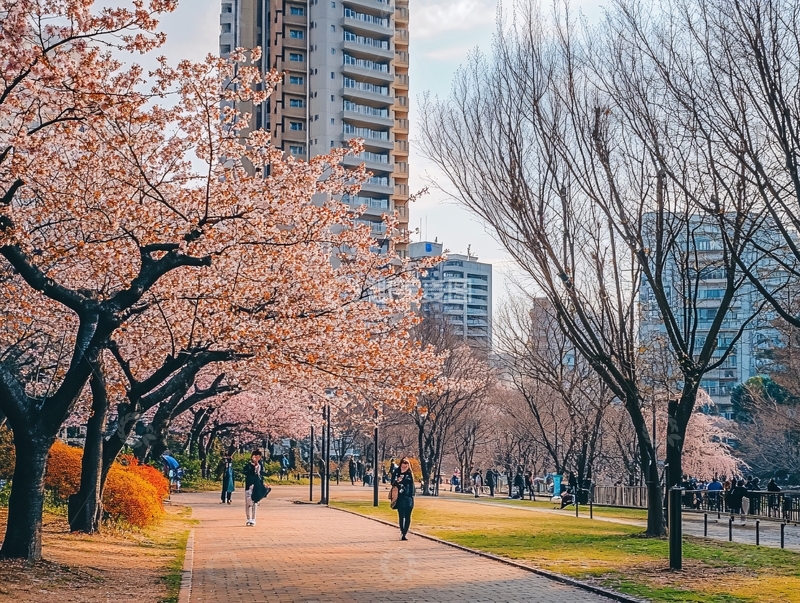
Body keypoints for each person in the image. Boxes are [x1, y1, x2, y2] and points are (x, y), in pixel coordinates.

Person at [393, 457, 415, 540]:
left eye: (406, 465)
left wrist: (411, 496)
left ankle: (405, 533)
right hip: (400, 497)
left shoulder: (409, 474)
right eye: (403, 464)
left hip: (408, 497)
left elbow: (412, 486)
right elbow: (393, 483)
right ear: (401, 464)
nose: (404, 467)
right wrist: (397, 482)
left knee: (408, 516)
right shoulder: (397, 472)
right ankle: (402, 531)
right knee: (401, 515)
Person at [244, 449, 265, 526]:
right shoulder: (248, 465)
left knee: (254, 502)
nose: (256, 458)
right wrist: (253, 466)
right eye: (255, 456)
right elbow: (246, 472)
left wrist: (263, 483)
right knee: (247, 503)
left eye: (258, 456)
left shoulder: (261, 465)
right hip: (249, 485)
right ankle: (248, 518)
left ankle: (253, 519)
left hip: (257, 486)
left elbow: (262, 474)